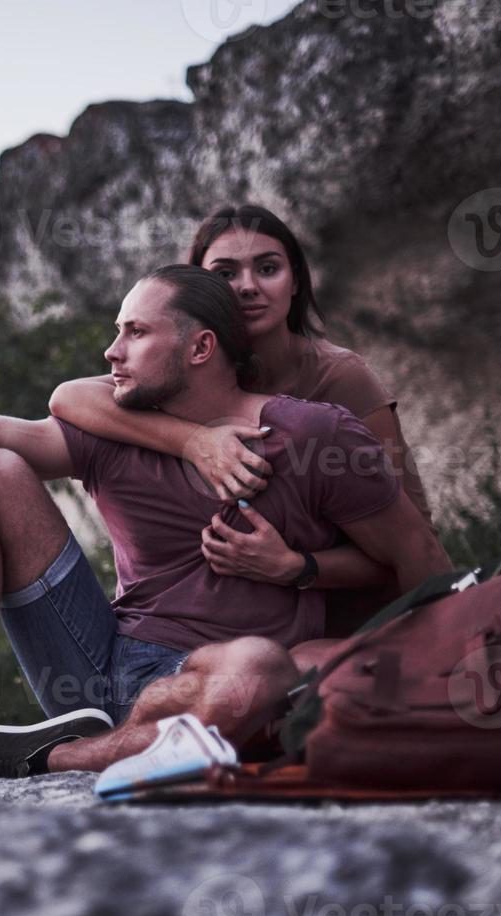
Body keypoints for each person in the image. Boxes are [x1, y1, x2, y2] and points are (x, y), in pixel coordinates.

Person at [0, 265, 451, 790]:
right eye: (117, 331)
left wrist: (443, 683)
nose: (112, 351)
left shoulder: (312, 435)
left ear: (200, 347)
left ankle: (51, 758)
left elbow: (416, 554)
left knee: (259, 670)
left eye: (135, 332)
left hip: (225, 679)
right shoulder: (115, 422)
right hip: (99, 667)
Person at [49, 204, 435, 635]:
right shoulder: (179, 371)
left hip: (349, 628)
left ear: (295, 283)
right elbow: (72, 397)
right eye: (225, 273)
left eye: (268, 268)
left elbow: (414, 541)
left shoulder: (340, 380)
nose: (247, 287)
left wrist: (297, 567)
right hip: (222, 635)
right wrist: (194, 440)